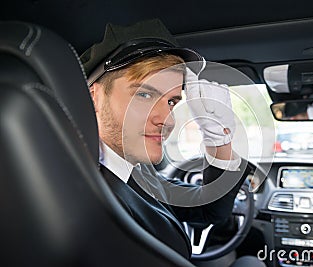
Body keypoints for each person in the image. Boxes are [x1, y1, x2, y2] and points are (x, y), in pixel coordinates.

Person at [80, 19, 265, 267]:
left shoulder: (137, 169)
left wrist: (220, 139)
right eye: (144, 94)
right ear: (95, 98)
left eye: (171, 102)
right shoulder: (83, 196)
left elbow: (207, 212)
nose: (166, 120)